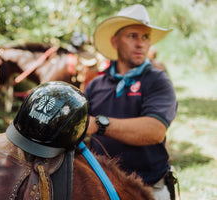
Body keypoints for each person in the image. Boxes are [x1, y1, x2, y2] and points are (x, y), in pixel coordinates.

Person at [84, 4, 178, 200]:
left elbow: (154, 131)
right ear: (115, 41)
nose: (141, 44)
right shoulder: (95, 85)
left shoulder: (157, 80)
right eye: (132, 36)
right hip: (102, 188)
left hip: (149, 187)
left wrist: (98, 124)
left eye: (145, 37)